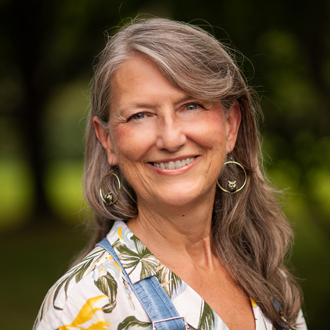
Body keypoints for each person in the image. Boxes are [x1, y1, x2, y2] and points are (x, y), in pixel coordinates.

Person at [33, 18, 307, 330]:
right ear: (107, 140)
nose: (171, 138)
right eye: (140, 115)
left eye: (191, 106)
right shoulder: (84, 305)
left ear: (230, 125)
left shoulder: (268, 277)